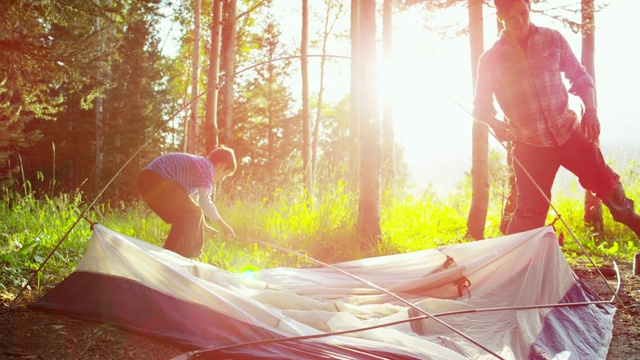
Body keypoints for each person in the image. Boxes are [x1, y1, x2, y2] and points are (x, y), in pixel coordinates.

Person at [473, 0, 640, 238]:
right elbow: (480, 107)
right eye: (513, 17)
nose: (521, 21)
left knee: (608, 186)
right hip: (530, 146)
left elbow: (579, 77)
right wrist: (496, 124)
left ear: (529, 8)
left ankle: (636, 224)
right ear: (501, 16)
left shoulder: (552, 39)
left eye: (524, 13)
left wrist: (590, 110)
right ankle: (512, 266)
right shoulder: (491, 59)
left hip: (569, 133)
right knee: (530, 214)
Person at [137, 146, 237, 258]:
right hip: (155, 178)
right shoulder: (207, 167)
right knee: (191, 213)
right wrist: (222, 225)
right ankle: (183, 257)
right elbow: (205, 202)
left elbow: (195, 205)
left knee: (188, 215)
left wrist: (205, 227)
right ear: (221, 166)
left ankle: (174, 255)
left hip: (148, 181)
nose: (223, 179)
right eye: (225, 175)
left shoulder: (198, 169)